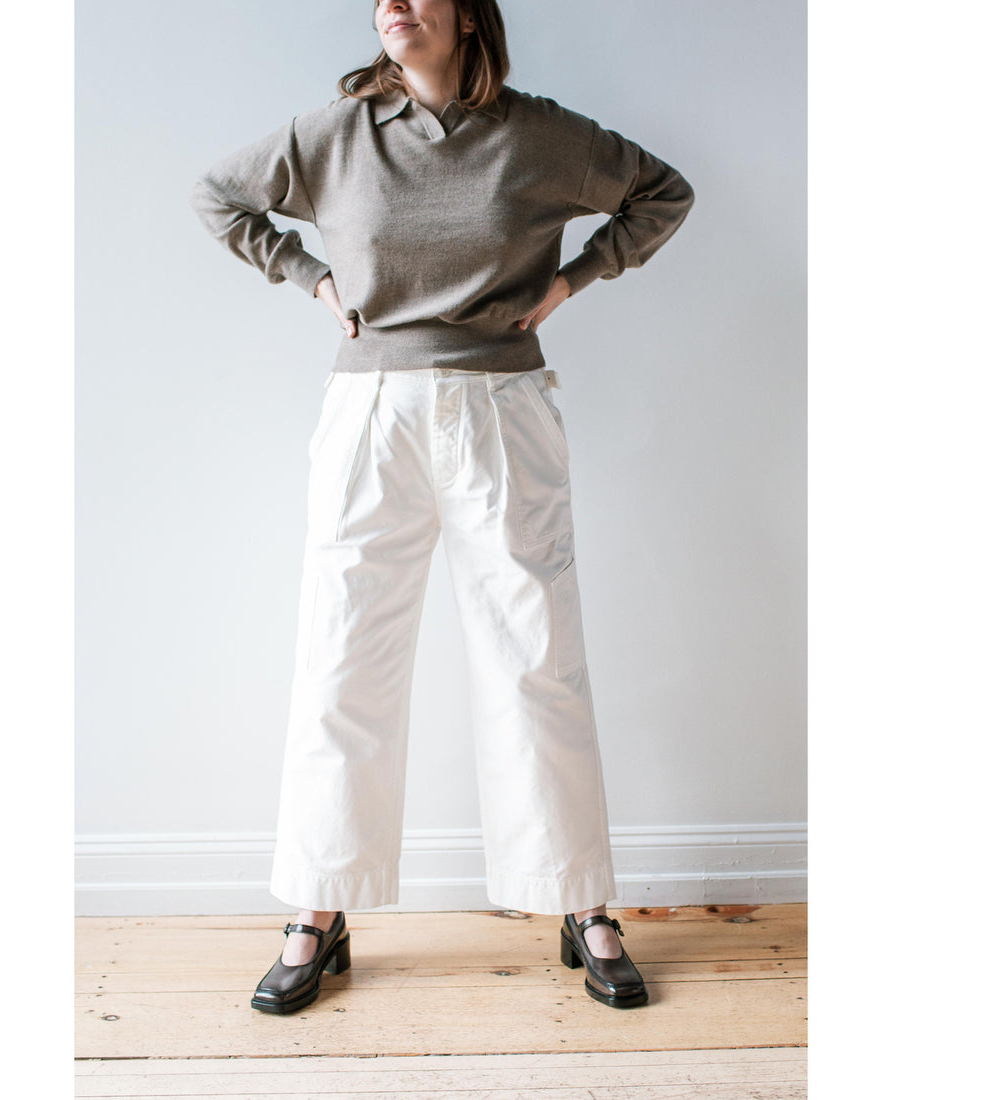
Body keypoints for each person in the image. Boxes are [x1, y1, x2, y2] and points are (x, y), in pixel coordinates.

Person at [189, 0, 694, 1015]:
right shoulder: (336, 135)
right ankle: (318, 912)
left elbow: (661, 193)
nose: (393, 6)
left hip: (502, 409)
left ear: (466, 15)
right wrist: (308, 276)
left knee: (536, 659)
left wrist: (572, 280)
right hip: (370, 416)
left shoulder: (539, 135)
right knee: (342, 657)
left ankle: (581, 903)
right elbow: (219, 196)